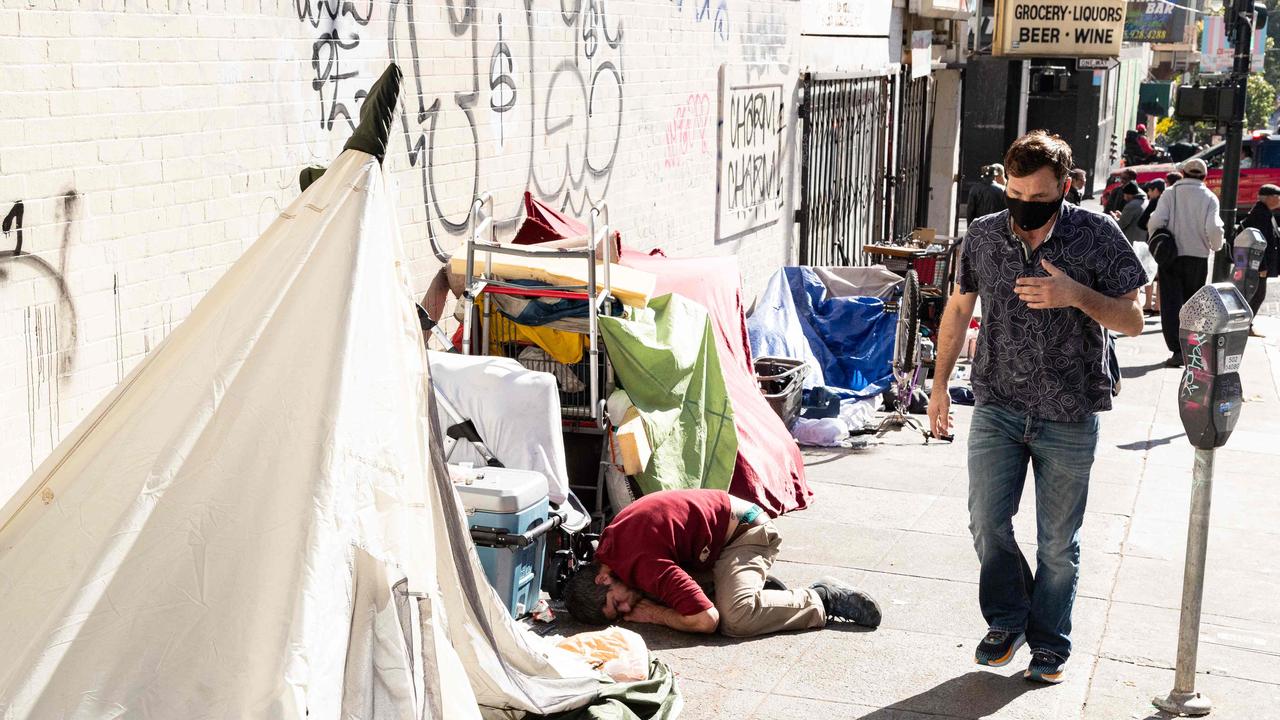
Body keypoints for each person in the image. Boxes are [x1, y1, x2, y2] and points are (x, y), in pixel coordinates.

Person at [928, 131, 1145, 684]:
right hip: (997, 403)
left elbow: (1134, 318)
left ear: (1065, 188)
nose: (1024, 206)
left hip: (1069, 412)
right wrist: (937, 387)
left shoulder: (1097, 235)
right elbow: (957, 310)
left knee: (1057, 544)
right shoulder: (981, 236)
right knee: (985, 521)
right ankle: (1008, 619)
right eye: (1015, 192)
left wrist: (1077, 295)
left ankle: (1050, 643)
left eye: (1038, 196)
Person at [562, 489, 882, 637]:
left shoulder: (641, 562)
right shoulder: (610, 553)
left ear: (602, 580)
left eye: (617, 605)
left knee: (733, 620)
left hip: (747, 534)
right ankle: (752, 591)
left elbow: (706, 620)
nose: (628, 611)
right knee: (662, 598)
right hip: (712, 543)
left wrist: (655, 616)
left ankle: (820, 598)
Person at [1147, 158, 1226, 367]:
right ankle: (1193, 348)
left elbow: (1156, 221)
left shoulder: (1170, 193)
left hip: (1171, 256)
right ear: (1205, 176)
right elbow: (1214, 229)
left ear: (1183, 172)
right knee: (1195, 306)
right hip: (1198, 257)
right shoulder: (1209, 197)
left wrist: (1157, 237)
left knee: (1171, 304)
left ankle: (1176, 350)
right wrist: (1216, 246)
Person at [1240, 184, 1280, 336]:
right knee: (1256, 295)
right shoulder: (1260, 214)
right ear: (1270, 198)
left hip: (1257, 265)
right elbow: (1258, 243)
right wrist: (1261, 266)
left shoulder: (1264, 212)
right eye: (1278, 197)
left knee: (1256, 295)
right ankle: (1245, 326)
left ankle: (1246, 325)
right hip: (1256, 266)